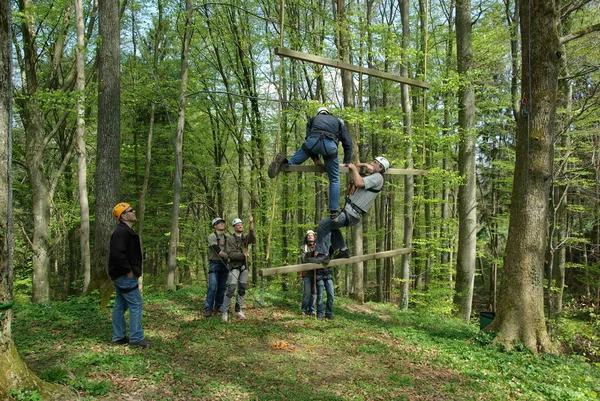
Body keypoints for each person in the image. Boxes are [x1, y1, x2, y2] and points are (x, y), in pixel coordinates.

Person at [268, 107, 353, 220]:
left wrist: (316, 159)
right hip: (329, 146)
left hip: (312, 142)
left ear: (318, 113)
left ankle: (285, 162)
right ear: (328, 113)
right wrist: (346, 161)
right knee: (334, 179)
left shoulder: (313, 119)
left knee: (293, 162)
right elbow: (348, 142)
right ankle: (333, 211)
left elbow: (308, 137)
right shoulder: (337, 121)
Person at [308, 156, 390, 265]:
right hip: (351, 213)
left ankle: (323, 254)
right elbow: (351, 167)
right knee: (332, 227)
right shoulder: (373, 177)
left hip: (351, 213)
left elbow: (359, 183)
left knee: (324, 225)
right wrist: (363, 165)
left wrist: (355, 169)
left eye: (375, 163)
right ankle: (343, 250)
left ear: (380, 168)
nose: (371, 163)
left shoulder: (378, 177)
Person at [108, 202, 149, 348]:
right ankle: (136, 338)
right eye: (131, 210)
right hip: (124, 275)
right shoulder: (121, 232)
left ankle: (118, 337)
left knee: (120, 305)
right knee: (136, 304)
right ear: (124, 216)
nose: (134, 212)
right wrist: (129, 271)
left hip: (121, 274)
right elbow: (117, 255)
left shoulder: (126, 232)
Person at [221, 215, 256, 322]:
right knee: (231, 289)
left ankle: (238, 310)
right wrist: (243, 255)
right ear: (234, 227)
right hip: (234, 267)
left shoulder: (245, 238)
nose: (240, 226)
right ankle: (225, 311)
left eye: (241, 225)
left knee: (242, 289)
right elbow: (230, 254)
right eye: (238, 225)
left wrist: (251, 223)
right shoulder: (230, 239)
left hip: (244, 267)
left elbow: (253, 237)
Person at [204, 217, 229, 318]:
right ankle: (208, 308)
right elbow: (217, 250)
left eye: (223, 222)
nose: (222, 224)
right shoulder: (211, 236)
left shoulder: (227, 237)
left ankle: (219, 306)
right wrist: (231, 256)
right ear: (214, 226)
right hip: (214, 264)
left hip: (225, 264)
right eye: (219, 223)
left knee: (222, 287)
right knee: (212, 287)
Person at [300, 230, 317, 316]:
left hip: (316, 273)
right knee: (307, 292)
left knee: (314, 293)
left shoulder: (318, 246)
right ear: (306, 237)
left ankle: (312, 310)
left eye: (311, 235)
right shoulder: (304, 247)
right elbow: (304, 260)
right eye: (308, 235)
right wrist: (315, 259)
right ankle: (304, 309)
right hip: (306, 273)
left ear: (314, 237)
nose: (310, 236)